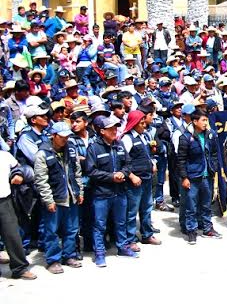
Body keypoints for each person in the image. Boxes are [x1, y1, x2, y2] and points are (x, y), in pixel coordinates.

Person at [33, 121, 84, 273]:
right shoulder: (43, 153)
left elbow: (77, 172)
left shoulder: (71, 150)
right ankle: (53, 260)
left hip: (71, 196)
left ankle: (69, 255)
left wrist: (79, 192)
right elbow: (41, 180)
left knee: (72, 229)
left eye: (67, 137)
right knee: (52, 231)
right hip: (55, 198)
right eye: (62, 137)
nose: (65, 140)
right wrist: (48, 200)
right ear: (53, 136)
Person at [83, 115, 133, 267]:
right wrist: (111, 177)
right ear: (102, 131)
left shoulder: (119, 145)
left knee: (120, 221)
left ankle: (123, 247)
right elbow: (91, 171)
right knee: (99, 225)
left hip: (120, 191)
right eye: (111, 128)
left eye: (116, 128)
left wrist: (122, 174)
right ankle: (99, 253)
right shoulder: (94, 148)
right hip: (102, 193)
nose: (115, 131)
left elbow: (128, 165)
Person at [174, 108, 219, 245]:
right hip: (192, 177)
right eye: (203, 120)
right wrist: (184, 177)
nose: (206, 123)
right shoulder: (185, 137)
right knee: (191, 206)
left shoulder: (210, 135)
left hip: (207, 176)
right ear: (194, 121)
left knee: (206, 205)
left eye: (207, 120)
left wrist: (214, 167)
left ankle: (207, 228)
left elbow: (214, 154)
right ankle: (191, 231)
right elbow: (181, 160)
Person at [120, 109, 160, 250]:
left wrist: (152, 163)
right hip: (135, 181)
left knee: (147, 208)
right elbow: (122, 161)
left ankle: (147, 234)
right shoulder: (127, 138)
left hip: (147, 178)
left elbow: (147, 154)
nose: (144, 124)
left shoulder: (145, 136)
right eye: (141, 122)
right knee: (132, 211)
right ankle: (130, 239)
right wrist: (131, 176)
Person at [0, 149, 34, 279]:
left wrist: (19, 174)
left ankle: (19, 268)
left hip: (4, 200)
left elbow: (22, 169)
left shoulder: (5, 156)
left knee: (12, 234)